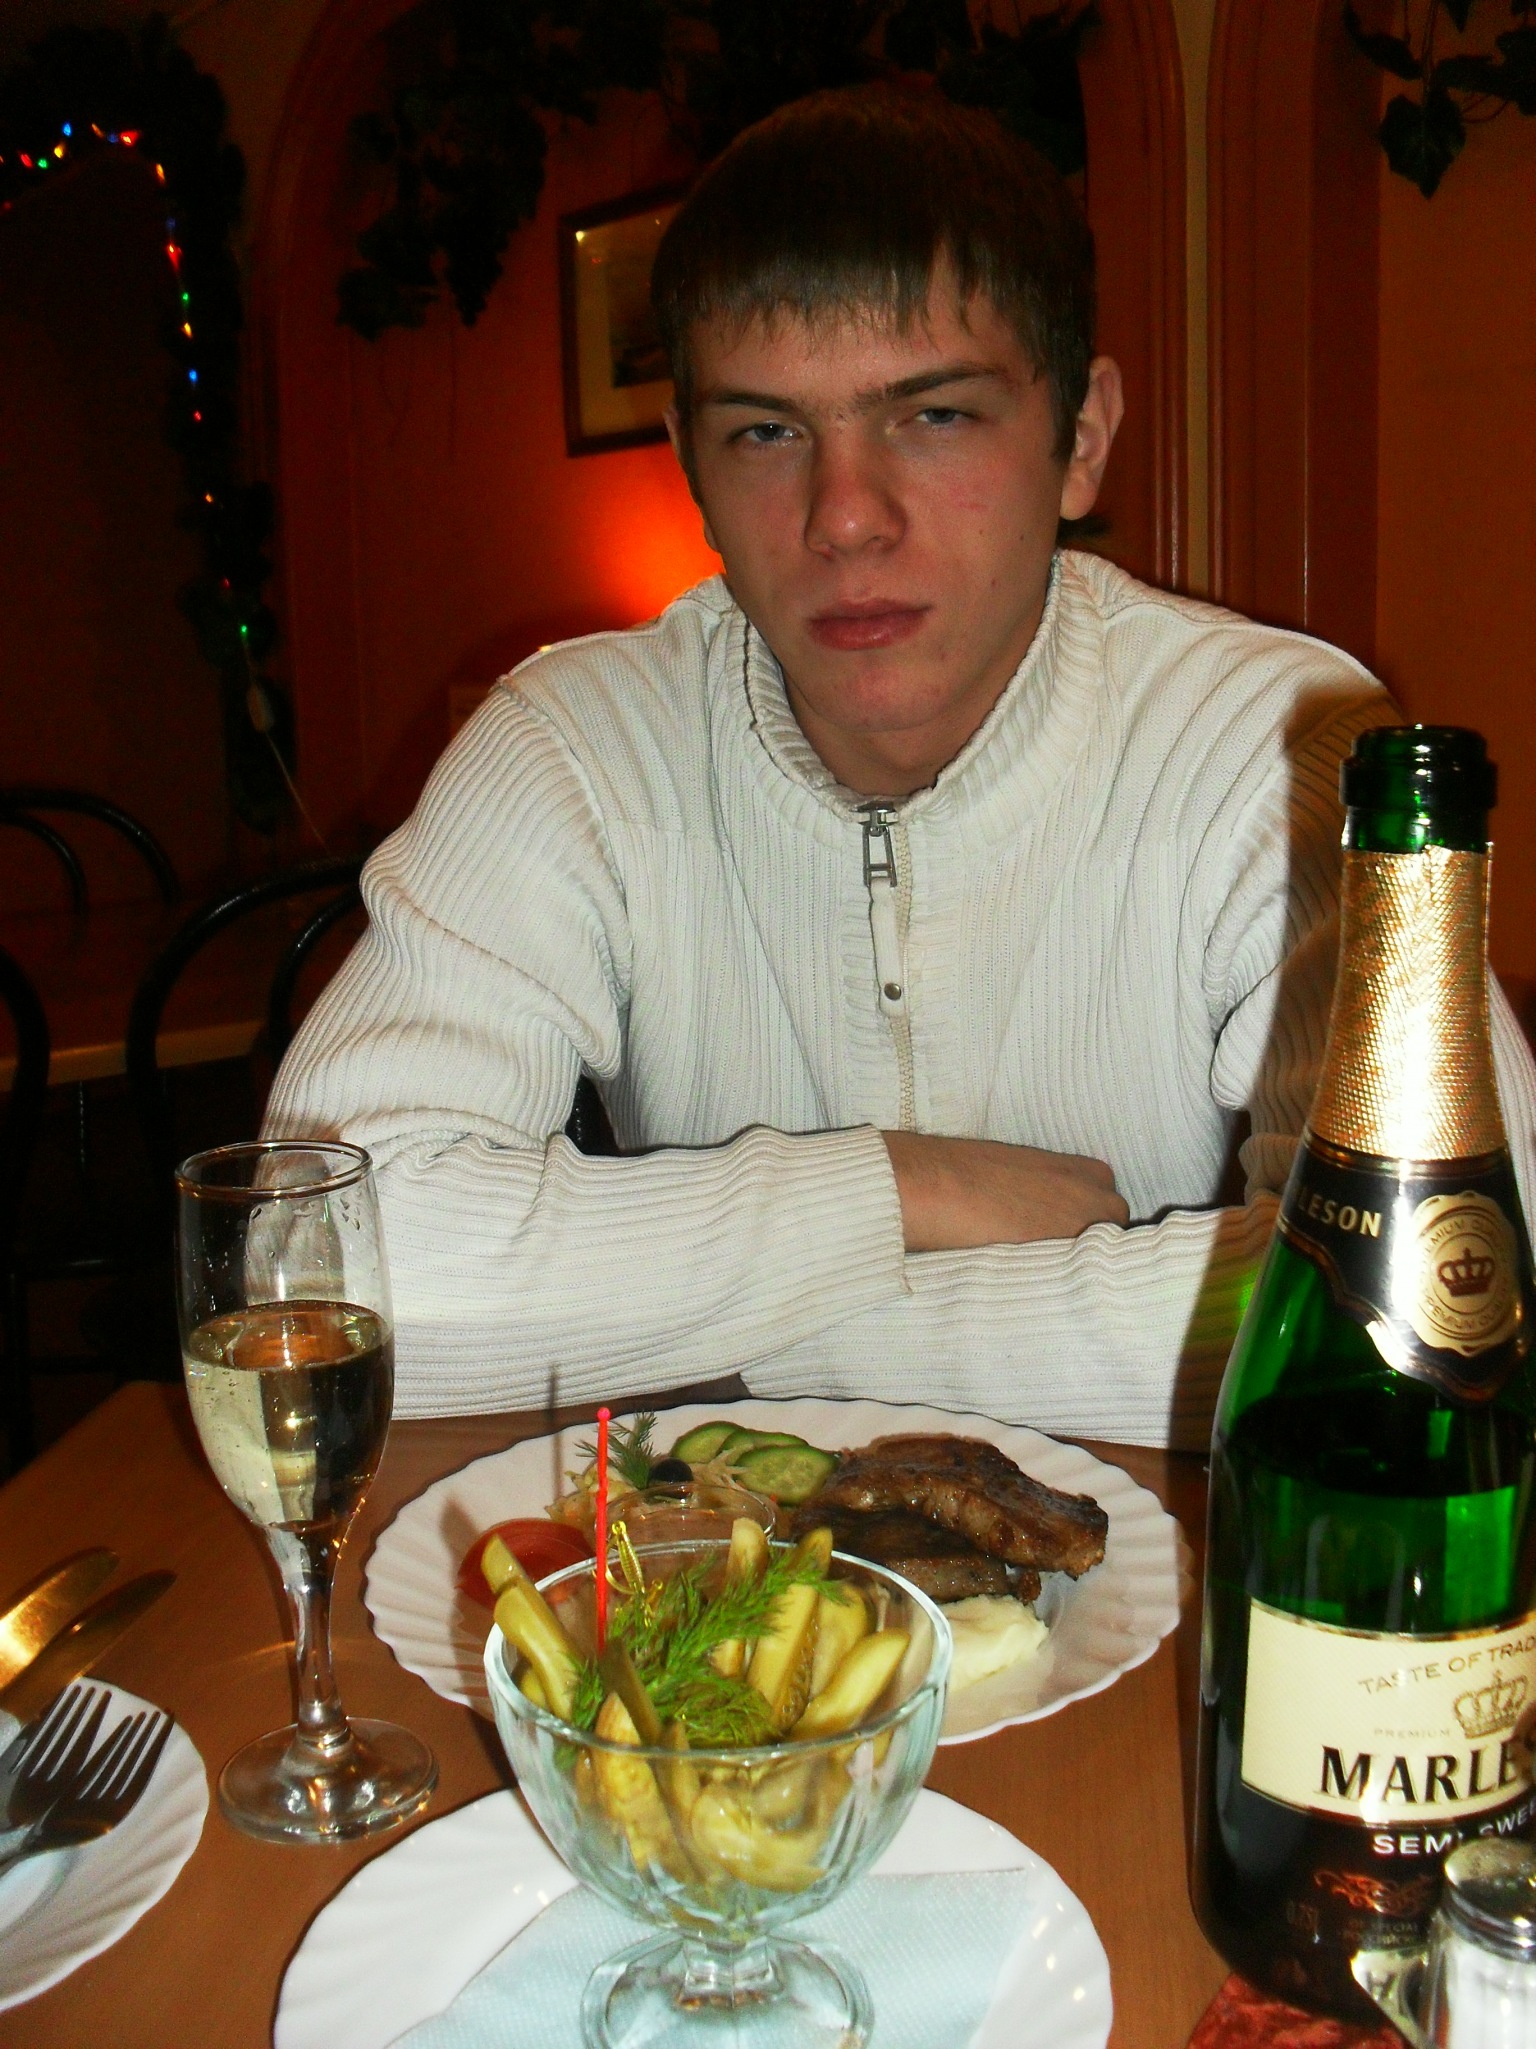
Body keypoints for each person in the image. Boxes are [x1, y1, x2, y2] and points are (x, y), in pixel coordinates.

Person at [267, 86, 1536, 1447]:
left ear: (1081, 438)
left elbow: (1431, 1290)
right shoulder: (575, 744)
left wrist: (760, 1330)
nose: (846, 518)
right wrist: (896, 1191)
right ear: (692, 467)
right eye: (766, 431)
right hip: (724, 1575)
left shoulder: (1277, 743)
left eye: (933, 416)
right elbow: (307, 1265)